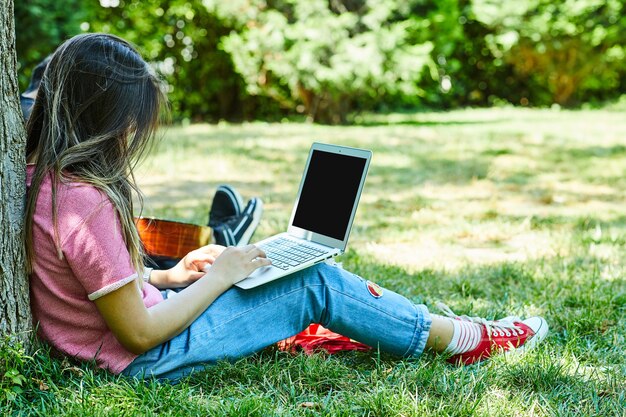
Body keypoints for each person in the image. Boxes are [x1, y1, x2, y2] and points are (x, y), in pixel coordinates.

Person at [24, 33, 549, 382]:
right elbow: (137, 333)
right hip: (145, 358)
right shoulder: (85, 202)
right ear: (106, 121)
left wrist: (170, 277)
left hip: (120, 343)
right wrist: (221, 276)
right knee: (310, 281)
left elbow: (95, 287)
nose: (136, 134)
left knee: (272, 276)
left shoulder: (43, 180)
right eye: (134, 122)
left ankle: (355, 325)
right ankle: (460, 338)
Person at [20, 55, 262, 251]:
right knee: (127, 236)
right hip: (72, 232)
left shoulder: (25, 112)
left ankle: (213, 240)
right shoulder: (41, 121)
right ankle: (217, 240)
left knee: (129, 235)